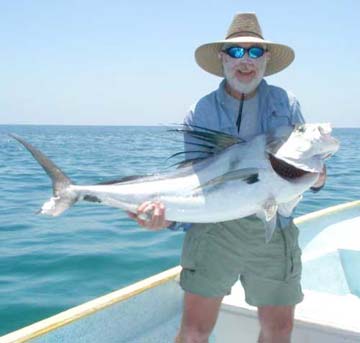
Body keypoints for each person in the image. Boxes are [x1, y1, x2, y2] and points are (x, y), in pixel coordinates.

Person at [129, 12, 326, 343]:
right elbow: (195, 182)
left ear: (266, 59)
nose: (245, 61)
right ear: (222, 58)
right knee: (194, 332)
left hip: (273, 224)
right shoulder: (201, 111)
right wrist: (167, 219)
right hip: (214, 229)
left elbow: (310, 166)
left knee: (279, 330)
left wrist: (318, 176)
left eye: (254, 52)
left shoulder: (286, 103)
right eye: (236, 52)